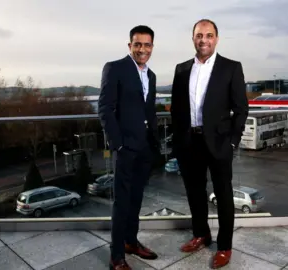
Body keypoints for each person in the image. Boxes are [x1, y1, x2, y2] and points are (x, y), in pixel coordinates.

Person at [170, 19, 248, 269]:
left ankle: (224, 246)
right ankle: (201, 235)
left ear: (216, 38)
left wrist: (233, 142)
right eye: (199, 35)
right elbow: (176, 110)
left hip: (219, 143)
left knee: (224, 196)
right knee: (195, 193)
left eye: (209, 35)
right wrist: (178, 139)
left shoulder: (231, 68)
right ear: (192, 38)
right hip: (188, 142)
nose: (203, 40)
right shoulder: (181, 69)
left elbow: (241, 108)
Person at [98, 25, 160, 270]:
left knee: (136, 198)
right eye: (137, 44)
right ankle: (116, 257)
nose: (142, 49)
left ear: (152, 47)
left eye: (146, 45)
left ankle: (131, 242)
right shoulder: (115, 68)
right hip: (125, 148)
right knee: (121, 202)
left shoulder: (151, 76)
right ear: (130, 45)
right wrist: (118, 145)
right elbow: (104, 109)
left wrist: (154, 141)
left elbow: (149, 110)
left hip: (145, 147)